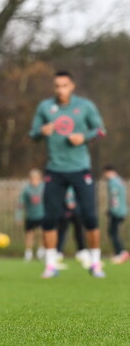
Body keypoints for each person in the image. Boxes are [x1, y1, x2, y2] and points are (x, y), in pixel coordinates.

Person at [29, 71, 106, 278]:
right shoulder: (45, 107)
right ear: (53, 88)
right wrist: (41, 132)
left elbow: (100, 130)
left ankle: (96, 263)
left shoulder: (85, 106)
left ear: (72, 86)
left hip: (80, 168)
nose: (60, 89)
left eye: (64, 85)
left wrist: (85, 137)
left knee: (89, 215)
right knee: (50, 218)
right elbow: (33, 133)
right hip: (55, 170)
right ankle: (51, 264)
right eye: (57, 86)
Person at [16, 169, 45, 262]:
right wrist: (18, 216)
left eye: (36, 178)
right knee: (29, 234)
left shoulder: (44, 187)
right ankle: (28, 252)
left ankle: (41, 251)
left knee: (42, 233)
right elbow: (20, 203)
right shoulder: (26, 189)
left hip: (42, 215)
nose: (34, 181)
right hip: (30, 216)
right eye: (32, 179)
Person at [57, 188, 89, 268]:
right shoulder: (62, 185)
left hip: (76, 212)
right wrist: (65, 206)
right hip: (65, 212)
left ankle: (82, 252)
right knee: (61, 233)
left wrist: (76, 206)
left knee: (79, 232)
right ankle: (58, 254)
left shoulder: (77, 185)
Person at [103, 165, 129, 263]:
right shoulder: (120, 181)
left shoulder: (113, 182)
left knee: (113, 232)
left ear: (109, 172)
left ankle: (120, 253)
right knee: (114, 232)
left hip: (116, 211)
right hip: (122, 210)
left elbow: (114, 197)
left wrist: (112, 210)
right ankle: (119, 251)